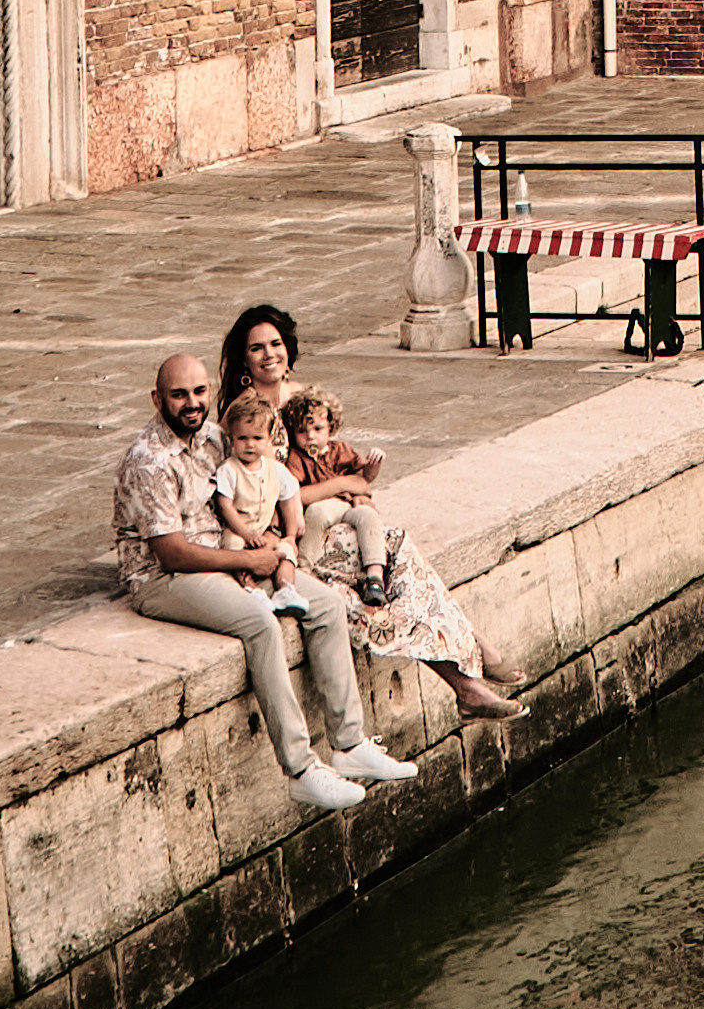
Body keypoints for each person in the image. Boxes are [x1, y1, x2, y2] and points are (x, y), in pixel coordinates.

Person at [112, 352, 417, 812]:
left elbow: (266, 489)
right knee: (260, 622)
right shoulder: (148, 462)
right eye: (178, 395)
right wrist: (252, 559)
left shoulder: (216, 439)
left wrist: (272, 545)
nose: (191, 403)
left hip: (231, 553)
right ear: (157, 399)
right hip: (166, 576)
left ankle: (350, 746)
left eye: (199, 392)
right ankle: (299, 768)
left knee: (327, 606)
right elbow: (171, 552)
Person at [216, 303, 528, 720]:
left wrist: (358, 495)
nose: (269, 354)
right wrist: (346, 487)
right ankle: (471, 672)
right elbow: (267, 494)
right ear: (244, 358)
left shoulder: (303, 398)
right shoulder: (244, 416)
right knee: (369, 598)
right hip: (285, 533)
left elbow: (333, 461)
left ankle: (470, 669)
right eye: (257, 348)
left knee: (396, 552)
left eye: (276, 344)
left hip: (331, 519)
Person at [282, 383, 390, 607]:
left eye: (318, 430)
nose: (310, 437)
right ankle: (304, 566)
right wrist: (341, 486)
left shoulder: (340, 450)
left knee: (368, 516)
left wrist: (374, 465)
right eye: (302, 431)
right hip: (324, 505)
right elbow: (296, 493)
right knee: (317, 512)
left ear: (330, 428)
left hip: (347, 505)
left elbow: (362, 479)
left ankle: (375, 574)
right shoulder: (297, 458)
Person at [212, 388, 311, 614]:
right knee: (234, 549)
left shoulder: (276, 470)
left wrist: (291, 535)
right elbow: (225, 506)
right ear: (232, 439)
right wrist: (245, 533)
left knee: (286, 551)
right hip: (238, 529)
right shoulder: (229, 470)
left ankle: (286, 589)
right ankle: (251, 588)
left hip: (265, 530)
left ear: (269, 438)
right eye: (242, 438)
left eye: (257, 438)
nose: (250, 445)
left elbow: (287, 501)